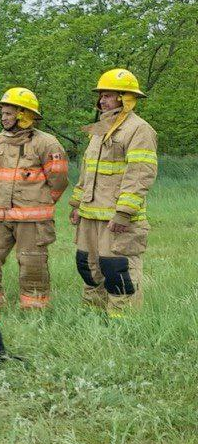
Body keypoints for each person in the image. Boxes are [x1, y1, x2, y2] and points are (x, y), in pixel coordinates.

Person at [70, 69, 158, 318]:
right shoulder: (100, 129)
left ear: (124, 98)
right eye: (101, 96)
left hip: (116, 219)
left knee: (118, 270)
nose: (101, 101)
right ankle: (93, 318)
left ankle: (123, 322)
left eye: (107, 96)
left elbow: (140, 174)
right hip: (90, 214)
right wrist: (77, 203)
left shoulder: (139, 130)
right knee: (88, 267)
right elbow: (87, 169)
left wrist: (124, 212)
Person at [0, 87, 69, 309]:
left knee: (32, 265)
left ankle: (35, 309)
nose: (3, 118)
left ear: (23, 114)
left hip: (32, 219)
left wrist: (40, 202)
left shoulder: (47, 143)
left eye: (8, 113)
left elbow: (59, 180)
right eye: (3, 113)